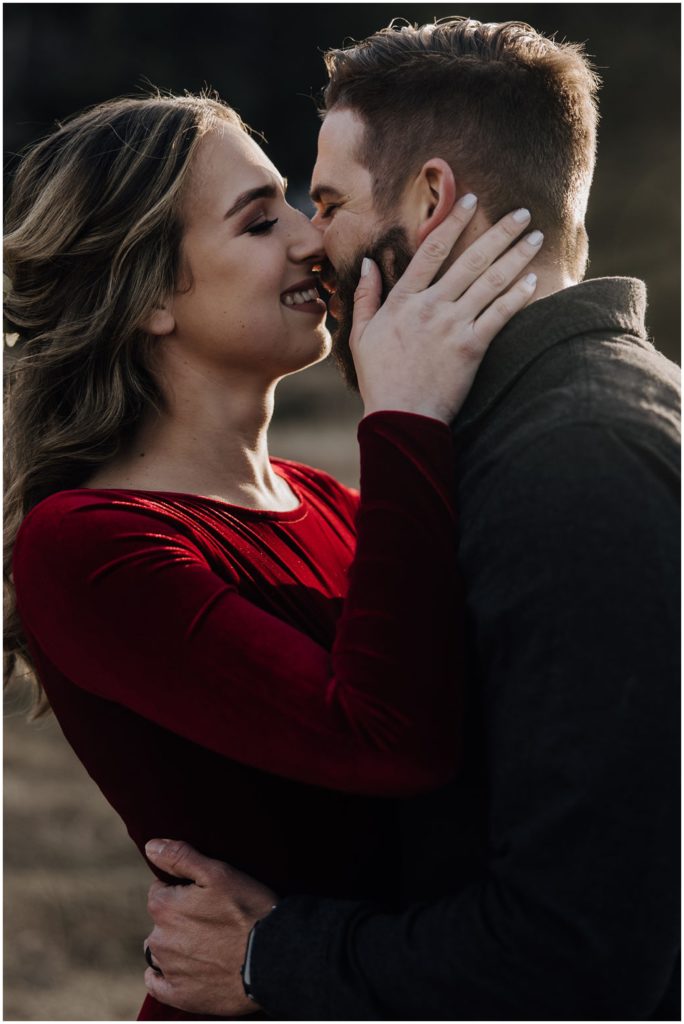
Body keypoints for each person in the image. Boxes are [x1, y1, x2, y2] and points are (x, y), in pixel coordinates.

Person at [142, 17, 681, 1022]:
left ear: (432, 199)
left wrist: (271, 961)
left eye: (333, 201)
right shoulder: (550, 433)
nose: (316, 243)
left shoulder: (573, 465)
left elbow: (582, 956)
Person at [4, 90, 541, 1021]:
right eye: (260, 222)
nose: (311, 239)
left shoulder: (333, 504)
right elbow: (392, 744)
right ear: (150, 298)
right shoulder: (88, 547)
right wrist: (403, 411)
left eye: (296, 203)